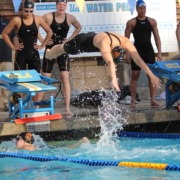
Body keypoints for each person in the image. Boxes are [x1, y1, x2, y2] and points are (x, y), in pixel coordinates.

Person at [45, 32, 162, 94]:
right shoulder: (105, 44)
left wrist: (151, 75)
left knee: (63, 50)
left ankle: (51, 53)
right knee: (63, 49)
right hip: (83, 42)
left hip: (94, 39)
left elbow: (138, 59)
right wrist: (114, 80)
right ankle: (49, 53)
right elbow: (110, 62)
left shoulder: (125, 42)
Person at [2, 0, 53, 102]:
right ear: (22, 10)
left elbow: (50, 32)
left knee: (35, 82)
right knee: (19, 82)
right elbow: (4, 34)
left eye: (30, 11)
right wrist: (13, 46)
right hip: (20, 54)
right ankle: (20, 107)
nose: (28, 13)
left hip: (34, 54)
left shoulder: (38, 19)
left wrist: (42, 45)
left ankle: (34, 106)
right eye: (26, 11)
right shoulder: (16, 20)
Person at [39, 0, 82, 117]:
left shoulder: (70, 18)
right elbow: (36, 25)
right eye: (59, 5)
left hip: (63, 49)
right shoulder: (48, 16)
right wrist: (44, 41)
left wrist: (69, 39)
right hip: (50, 49)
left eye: (63, 5)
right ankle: (36, 107)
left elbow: (79, 27)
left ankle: (67, 108)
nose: (61, 7)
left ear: (66, 6)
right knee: (46, 78)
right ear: (56, 5)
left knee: (65, 77)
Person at [125, 0, 162, 108]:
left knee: (151, 76)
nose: (142, 10)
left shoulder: (152, 21)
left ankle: (153, 100)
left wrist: (159, 52)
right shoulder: (131, 22)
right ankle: (132, 100)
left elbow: (157, 37)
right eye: (140, 8)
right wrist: (127, 53)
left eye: (144, 8)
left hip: (149, 51)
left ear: (145, 9)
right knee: (135, 75)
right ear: (136, 9)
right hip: (137, 52)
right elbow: (126, 40)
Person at [0, 15, 17, 111]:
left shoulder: (7, 22)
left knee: (6, 83)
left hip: (6, 57)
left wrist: (16, 48)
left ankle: (6, 104)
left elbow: (14, 37)